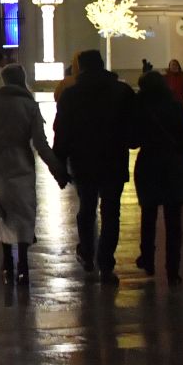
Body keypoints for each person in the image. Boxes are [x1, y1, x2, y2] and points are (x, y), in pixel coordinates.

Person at [0, 64, 63, 286]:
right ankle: (23, 264)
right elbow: (41, 144)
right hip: (22, 163)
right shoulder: (29, 106)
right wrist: (57, 169)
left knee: (4, 213)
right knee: (24, 212)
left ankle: (7, 263)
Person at [53, 48, 136, 283]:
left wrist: (59, 162)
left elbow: (62, 131)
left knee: (87, 209)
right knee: (111, 213)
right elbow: (133, 128)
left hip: (84, 162)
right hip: (114, 161)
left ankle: (88, 253)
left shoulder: (71, 95)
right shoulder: (122, 91)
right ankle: (106, 262)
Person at [132, 70, 183, 285]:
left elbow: (133, 140)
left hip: (149, 164)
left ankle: (148, 259)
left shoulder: (140, 107)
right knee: (173, 220)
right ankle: (173, 269)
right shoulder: (175, 106)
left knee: (148, 215)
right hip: (172, 166)